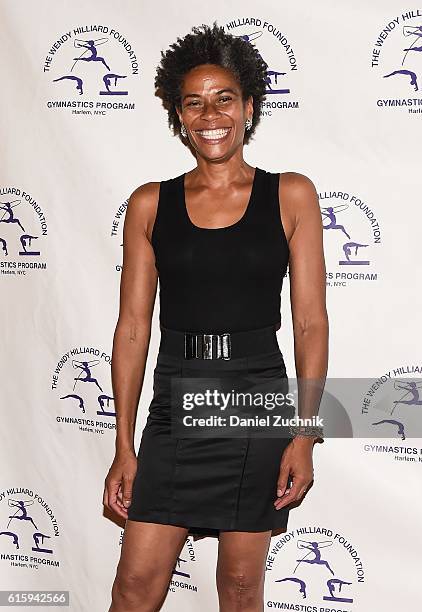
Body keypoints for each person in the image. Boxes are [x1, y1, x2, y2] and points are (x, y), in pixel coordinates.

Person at [104, 22, 328, 612]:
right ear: (179, 117)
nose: (211, 114)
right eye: (193, 102)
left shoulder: (292, 195)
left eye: (224, 98)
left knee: (238, 586)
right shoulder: (150, 203)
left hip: (255, 397)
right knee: (134, 585)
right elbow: (132, 331)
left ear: (249, 107)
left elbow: (310, 326)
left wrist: (305, 433)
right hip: (176, 398)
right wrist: (125, 445)